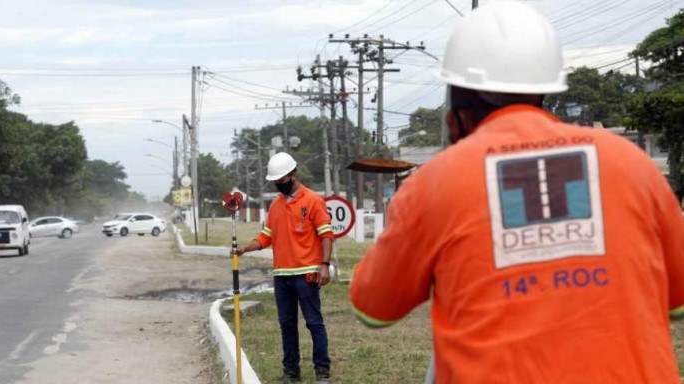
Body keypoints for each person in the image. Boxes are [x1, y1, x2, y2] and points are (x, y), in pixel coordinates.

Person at [349, 1, 684, 383]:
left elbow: (372, 309)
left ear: (455, 105)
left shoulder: (435, 183)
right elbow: (676, 302)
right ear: (545, 89)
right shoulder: (631, 163)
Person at [237, 152, 334, 383]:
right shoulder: (276, 205)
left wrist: (325, 265)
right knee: (286, 325)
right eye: (276, 182)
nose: (279, 185)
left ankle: (322, 371)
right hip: (282, 276)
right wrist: (244, 248)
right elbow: (265, 236)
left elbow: (326, 235)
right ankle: (291, 372)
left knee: (314, 323)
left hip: (307, 274)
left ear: (293, 174)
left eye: (281, 180)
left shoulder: (312, 200)